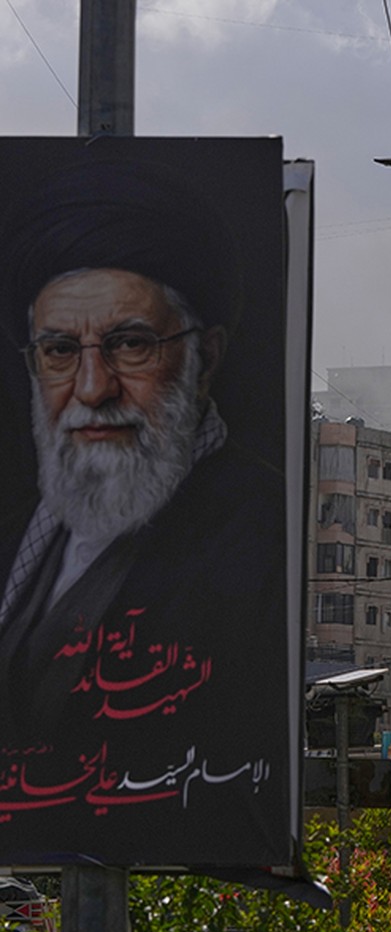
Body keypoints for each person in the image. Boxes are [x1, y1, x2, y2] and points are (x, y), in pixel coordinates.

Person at [0, 146, 289, 866]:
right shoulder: (18, 543)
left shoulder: (262, 535)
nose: (93, 387)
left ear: (206, 357)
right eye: (61, 350)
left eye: (130, 343)